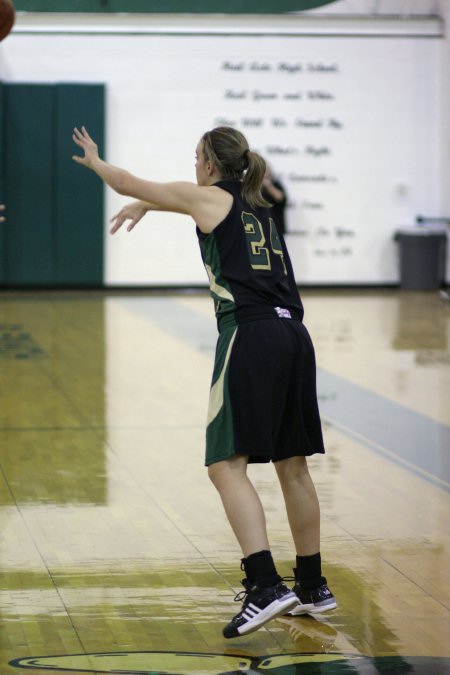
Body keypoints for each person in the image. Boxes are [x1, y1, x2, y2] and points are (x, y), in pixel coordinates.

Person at [72, 125, 337, 639]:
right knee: (293, 467)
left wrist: (97, 161)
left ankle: (264, 585)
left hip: (251, 334)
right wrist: (153, 205)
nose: (193, 167)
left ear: (211, 166)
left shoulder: (209, 197)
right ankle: (311, 584)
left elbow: (127, 182)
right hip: (294, 336)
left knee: (224, 464)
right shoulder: (258, 202)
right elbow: (178, 199)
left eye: (196, 158)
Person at [261, 165, 288, 234]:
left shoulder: (275, 184)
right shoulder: (256, 187)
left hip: (276, 225)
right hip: (261, 226)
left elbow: (280, 197)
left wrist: (269, 186)